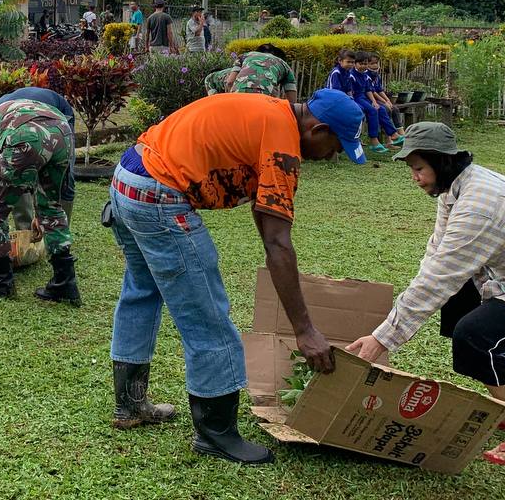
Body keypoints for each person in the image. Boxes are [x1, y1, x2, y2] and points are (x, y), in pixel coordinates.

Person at [107, 90, 366, 463]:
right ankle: (216, 434)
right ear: (318, 128)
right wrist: (305, 330)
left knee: (142, 291)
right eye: (336, 145)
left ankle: (129, 407)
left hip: (129, 179)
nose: (332, 155)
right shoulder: (283, 144)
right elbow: (278, 244)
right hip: (158, 194)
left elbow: (266, 219)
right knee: (206, 313)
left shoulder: (271, 113)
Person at [347, 122, 505, 468]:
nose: (415, 177)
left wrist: (382, 340)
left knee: (473, 337)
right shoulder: (455, 189)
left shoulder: (479, 205)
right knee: (458, 306)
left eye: (419, 169)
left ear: (441, 162)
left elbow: (438, 279)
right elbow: (436, 259)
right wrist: (391, 328)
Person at [0, 99, 78, 304]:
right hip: (63, 132)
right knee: (51, 206)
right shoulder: (6, 113)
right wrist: (37, 212)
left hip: (25, 137)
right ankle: (65, 282)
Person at [0, 86, 76, 221]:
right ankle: (25, 231)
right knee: (16, 170)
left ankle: (59, 225)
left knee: (63, 173)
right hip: (25, 117)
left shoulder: (1, 121)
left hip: (57, 114)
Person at [226, 44, 297, 101]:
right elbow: (292, 101)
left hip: (238, 96)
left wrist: (231, 99)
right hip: (266, 100)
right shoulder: (284, 65)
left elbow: (230, 82)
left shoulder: (244, 56)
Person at [364, 54, 404, 145]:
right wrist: (384, 102)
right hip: (368, 99)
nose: (375, 65)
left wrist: (387, 100)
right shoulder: (366, 75)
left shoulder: (377, 75)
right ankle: (389, 140)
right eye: (372, 63)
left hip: (376, 99)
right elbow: (372, 91)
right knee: (386, 109)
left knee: (395, 109)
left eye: (376, 63)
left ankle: (401, 133)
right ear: (367, 64)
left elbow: (380, 90)